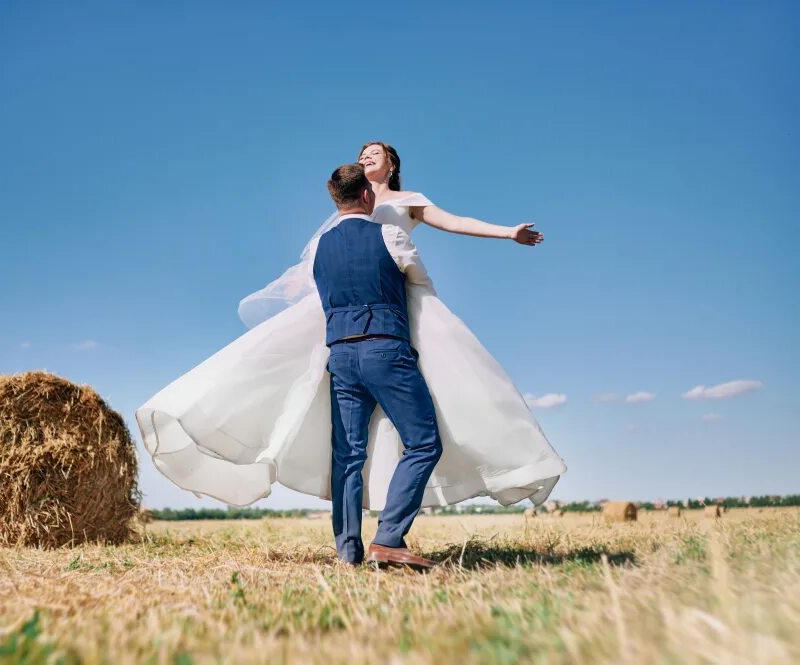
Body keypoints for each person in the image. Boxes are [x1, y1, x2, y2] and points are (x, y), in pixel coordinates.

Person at [136, 142, 565, 555]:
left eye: (374, 153)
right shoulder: (339, 220)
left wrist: (508, 232)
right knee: (395, 439)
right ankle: (384, 536)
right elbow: (312, 270)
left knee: (377, 433)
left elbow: (454, 222)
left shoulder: (405, 200)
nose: (366, 156)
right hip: (367, 314)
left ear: (391, 165)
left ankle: (355, 543)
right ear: (359, 186)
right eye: (361, 154)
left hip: (390, 303)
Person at [311, 163, 440, 568]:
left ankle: (348, 553)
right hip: (386, 350)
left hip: (342, 356)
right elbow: (420, 283)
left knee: (348, 456)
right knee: (422, 442)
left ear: (336, 199)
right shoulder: (390, 233)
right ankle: (388, 537)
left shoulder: (320, 247)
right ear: (367, 195)